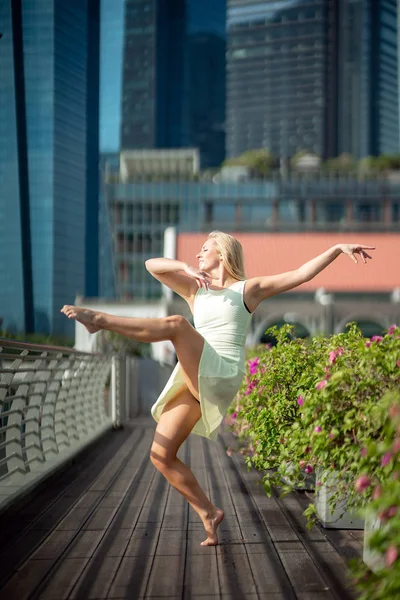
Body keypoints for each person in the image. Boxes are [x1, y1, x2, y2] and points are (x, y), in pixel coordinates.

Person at [61, 231, 374, 546]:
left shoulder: (246, 291)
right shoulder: (195, 290)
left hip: (221, 371)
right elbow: (151, 265)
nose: (199, 255)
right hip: (194, 374)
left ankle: (99, 319)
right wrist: (186, 266)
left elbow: (299, 275)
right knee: (160, 454)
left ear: (223, 254)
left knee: (177, 326)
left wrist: (336, 248)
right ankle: (208, 512)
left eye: (204, 249)